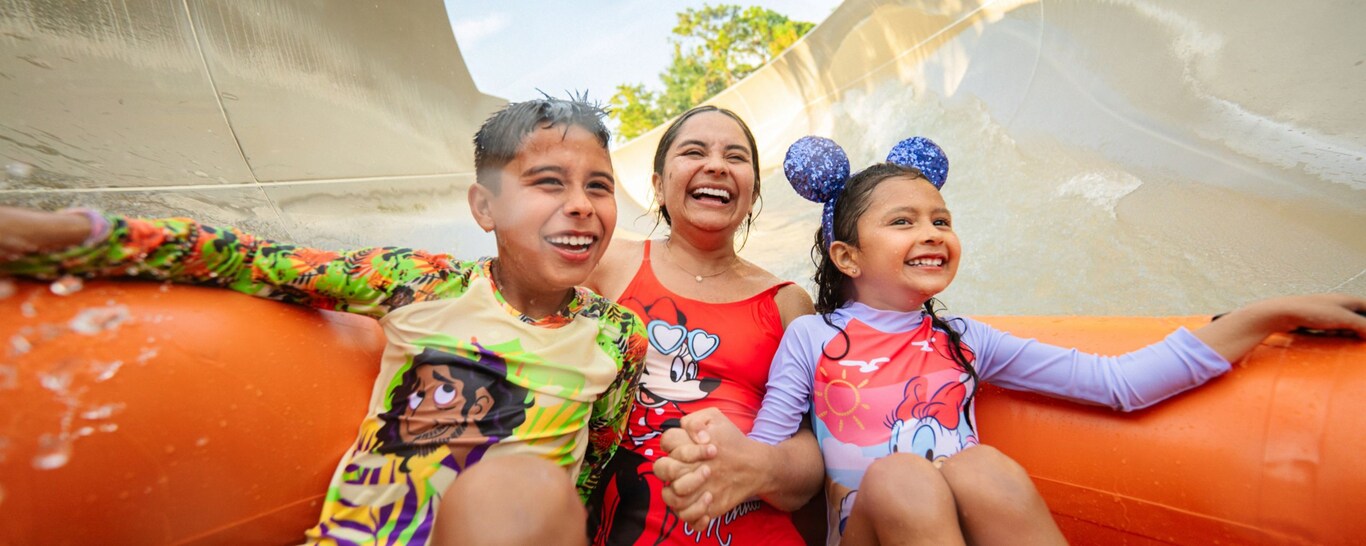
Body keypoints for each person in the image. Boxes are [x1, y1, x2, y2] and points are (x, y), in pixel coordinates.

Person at [0, 98, 648, 546]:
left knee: (524, 485)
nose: (581, 207)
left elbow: (588, 471)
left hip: (514, 524)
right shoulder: (425, 284)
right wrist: (66, 235)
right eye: (548, 183)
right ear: (485, 206)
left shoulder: (618, 338)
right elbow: (248, 259)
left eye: (598, 186)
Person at [665, 135, 1366, 546]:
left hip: (956, 523)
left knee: (984, 469)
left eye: (940, 219)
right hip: (870, 529)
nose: (932, 233)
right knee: (902, 477)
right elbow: (775, 458)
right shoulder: (814, 337)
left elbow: (1117, 383)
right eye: (903, 222)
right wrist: (720, 461)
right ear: (847, 257)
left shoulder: (966, 341)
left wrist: (1262, 316)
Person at [582, 105, 825, 545]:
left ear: (751, 195)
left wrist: (757, 466)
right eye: (694, 151)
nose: (716, 165)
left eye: (735, 157)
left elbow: (815, 457)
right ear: (658, 186)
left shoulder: (786, 302)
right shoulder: (606, 263)